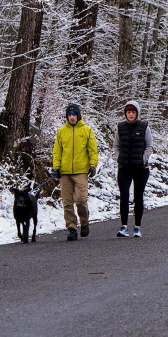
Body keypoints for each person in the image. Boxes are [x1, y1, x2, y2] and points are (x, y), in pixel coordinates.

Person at [51, 103, 98, 241]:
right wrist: (56, 167)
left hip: (81, 171)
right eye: (70, 115)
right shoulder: (61, 132)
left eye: (74, 115)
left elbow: (92, 150)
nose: (72, 117)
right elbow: (57, 151)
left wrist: (93, 165)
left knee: (80, 200)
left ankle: (84, 222)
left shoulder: (87, 130)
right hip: (65, 172)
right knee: (67, 202)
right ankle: (71, 228)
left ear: (78, 116)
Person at [114, 101, 153, 238]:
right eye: (129, 112)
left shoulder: (144, 127)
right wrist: (119, 158)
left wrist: (143, 159)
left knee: (138, 196)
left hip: (140, 168)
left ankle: (137, 227)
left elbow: (149, 146)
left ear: (137, 113)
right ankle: (124, 227)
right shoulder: (120, 127)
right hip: (124, 167)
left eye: (133, 112)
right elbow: (116, 145)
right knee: (124, 195)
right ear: (126, 113)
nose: (131, 114)